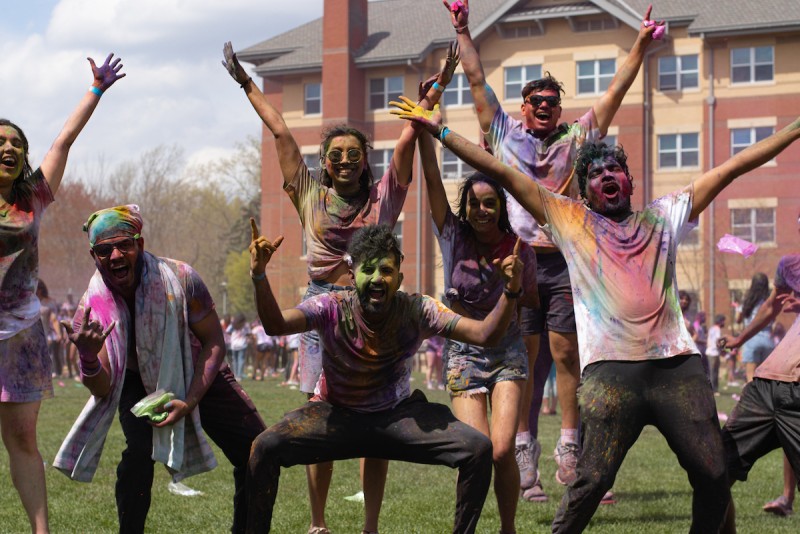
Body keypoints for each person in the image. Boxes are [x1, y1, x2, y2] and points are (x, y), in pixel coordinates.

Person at [391, 103, 800, 531]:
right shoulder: (571, 220)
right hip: (611, 373)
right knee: (591, 481)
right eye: (595, 173)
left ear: (629, 181)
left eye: (614, 169)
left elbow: (733, 166)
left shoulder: (663, 216)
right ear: (583, 191)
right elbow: (503, 173)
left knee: (714, 474)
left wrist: (793, 129)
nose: (606, 175)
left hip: (677, 366)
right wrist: (440, 133)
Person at [221, 40, 457, 534]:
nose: (345, 161)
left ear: (364, 160)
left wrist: (436, 91)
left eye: (353, 154)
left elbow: (411, 135)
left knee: (381, 417)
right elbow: (281, 130)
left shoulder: (384, 196)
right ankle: (318, 521)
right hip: (322, 310)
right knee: (321, 415)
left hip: (380, 312)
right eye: (336, 155)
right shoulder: (310, 194)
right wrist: (246, 83)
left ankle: (370, 525)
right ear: (325, 163)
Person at [441, 0, 664, 498]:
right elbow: (476, 80)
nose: (544, 105)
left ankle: (569, 445)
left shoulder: (576, 138)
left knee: (566, 352)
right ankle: (524, 448)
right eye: (536, 99)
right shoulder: (504, 134)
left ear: (559, 109)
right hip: (516, 261)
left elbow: (615, 91)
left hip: (565, 260)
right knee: (524, 354)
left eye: (551, 101)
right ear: (524, 106)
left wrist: (640, 43)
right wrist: (463, 29)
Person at [246, 221, 523, 533]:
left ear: (399, 278)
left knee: (478, 448)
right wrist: (259, 275)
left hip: (395, 417)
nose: (377, 278)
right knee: (265, 447)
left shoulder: (417, 309)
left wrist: (510, 291)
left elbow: (486, 334)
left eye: (386, 271)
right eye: (369, 269)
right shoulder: (330, 307)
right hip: (335, 415)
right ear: (352, 275)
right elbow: (276, 325)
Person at [53, 205, 266, 534]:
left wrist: (190, 400)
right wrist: (88, 356)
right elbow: (102, 388)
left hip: (196, 365)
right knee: (139, 455)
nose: (115, 255)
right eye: (104, 250)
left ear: (140, 243)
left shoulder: (180, 278)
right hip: (137, 381)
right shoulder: (91, 307)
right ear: (93, 255)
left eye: (124, 244)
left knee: (257, 449)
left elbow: (213, 341)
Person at [0, 52, 124, 533]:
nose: (9, 148)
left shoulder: (31, 197)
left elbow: (63, 141)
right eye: (0, 142)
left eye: (16, 144)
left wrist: (95, 90)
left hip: (20, 337)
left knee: (22, 442)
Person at [418, 127, 538, 533]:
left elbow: (532, 302)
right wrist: (423, 129)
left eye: (490, 203)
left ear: (501, 208)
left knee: (502, 450)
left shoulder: (520, 249)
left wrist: (513, 283)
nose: (482, 210)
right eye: (474, 203)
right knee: (475, 450)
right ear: (465, 207)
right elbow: (432, 178)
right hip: (464, 353)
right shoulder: (453, 236)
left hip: (507, 353)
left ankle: (508, 528)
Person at [719, 253, 800, 528]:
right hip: (765, 384)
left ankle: (787, 497)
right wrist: (739, 339)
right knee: (715, 471)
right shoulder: (790, 265)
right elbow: (771, 305)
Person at [736, 272, 775, 382]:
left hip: (751, 338)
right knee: (765, 376)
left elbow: (738, 320)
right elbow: (773, 320)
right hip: (767, 339)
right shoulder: (770, 301)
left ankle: (752, 393)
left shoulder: (747, 301)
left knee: (750, 375)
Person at [706, 314, 726, 393]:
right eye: (723, 321)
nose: (724, 323)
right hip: (714, 353)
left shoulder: (711, 329)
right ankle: (713, 390)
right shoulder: (717, 329)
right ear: (720, 321)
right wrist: (724, 350)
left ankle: (714, 389)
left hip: (709, 352)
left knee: (712, 372)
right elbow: (718, 342)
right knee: (714, 372)